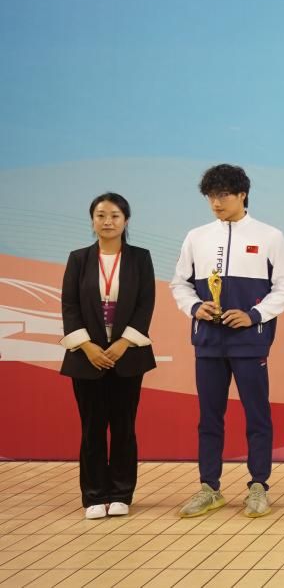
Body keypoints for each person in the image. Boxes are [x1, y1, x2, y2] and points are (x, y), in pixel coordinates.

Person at [170, 164, 284, 518]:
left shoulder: (270, 236)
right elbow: (179, 283)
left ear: (242, 195)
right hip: (208, 342)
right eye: (211, 196)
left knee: (257, 415)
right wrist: (195, 307)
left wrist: (254, 315)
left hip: (250, 342)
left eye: (223, 195)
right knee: (209, 418)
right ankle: (209, 487)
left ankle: (259, 485)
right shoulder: (196, 237)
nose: (216, 202)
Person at [59, 192, 156, 519]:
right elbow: (69, 306)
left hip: (127, 356)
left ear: (125, 220)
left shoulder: (140, 258)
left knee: (124, 427)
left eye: (114, 215)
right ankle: (93, 495)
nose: (107, 222)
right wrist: (87, 346)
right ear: (92, 221)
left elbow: (145, 305)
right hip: (87, 357)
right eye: (100, 215)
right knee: (92, 428)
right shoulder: (78, 259)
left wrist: (123, 343)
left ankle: (121, 494)